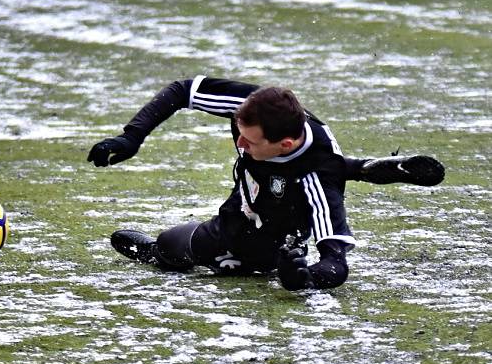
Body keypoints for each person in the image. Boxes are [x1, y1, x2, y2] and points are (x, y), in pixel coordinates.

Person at [87, 76, 444, 291]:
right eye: (239, 134)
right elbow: (185, 89)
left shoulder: (316, 173)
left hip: (271, 244)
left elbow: (336, 263)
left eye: (250, 141)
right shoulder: (256, 109)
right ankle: (161, 254)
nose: (240, 145)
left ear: (285, 144)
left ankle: (374, 169)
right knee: (169, 245)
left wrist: (302, 278)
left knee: (250, 259)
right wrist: (131, 138)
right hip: (235, 216)